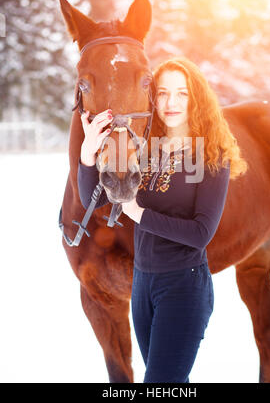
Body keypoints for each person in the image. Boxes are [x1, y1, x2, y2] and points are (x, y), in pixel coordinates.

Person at [77, 57, 248, 383]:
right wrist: (88, 152)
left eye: (182, 93)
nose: (171, 102)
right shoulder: (144, 147)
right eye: (164, 92)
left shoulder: (212, 154)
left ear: (196, 98)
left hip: (183, 285)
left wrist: (138, 213)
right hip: (143, 284)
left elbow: (200, 233)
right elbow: (93, 199)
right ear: (153, 97)